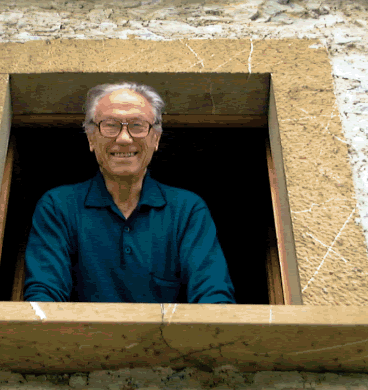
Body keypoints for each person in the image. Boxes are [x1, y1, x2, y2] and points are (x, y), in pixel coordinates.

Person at [23, 82, 235, 304]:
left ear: (156, 138)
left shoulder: (188, 210)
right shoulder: (58, 206)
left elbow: (214, 298)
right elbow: (43, 300)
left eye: (137, 125)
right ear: (91, 138)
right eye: (110, 125)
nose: (124, 138)